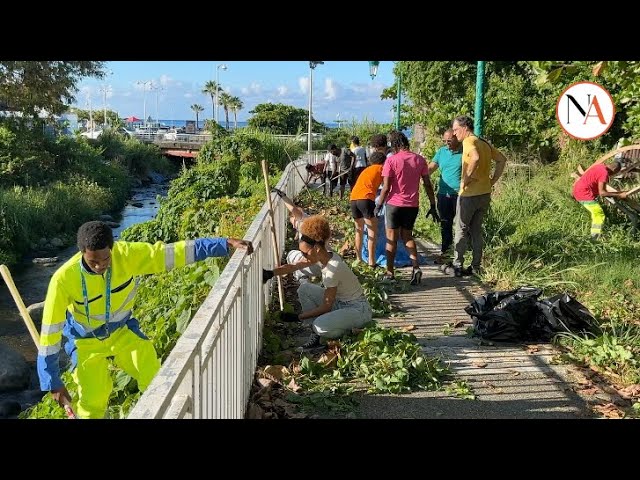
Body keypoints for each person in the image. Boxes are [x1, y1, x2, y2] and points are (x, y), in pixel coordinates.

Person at [37, 220, 253, 419]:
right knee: (93, 399)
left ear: (112, 249)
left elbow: (172, 253)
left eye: (105, 259)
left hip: (122, 331)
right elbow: (50, 334)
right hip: (85, 341)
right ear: (82, 252)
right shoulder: (63, 279)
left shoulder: (127, 255)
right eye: (93, 261)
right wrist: (53, 382)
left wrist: (223, 243)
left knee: (153, 375)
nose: (100, 266)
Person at [263, 215, 373, 350]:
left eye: (305, 253)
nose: (303, 257)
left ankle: (350, 331)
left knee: (320, 326)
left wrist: (298, 317)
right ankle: (315, 335)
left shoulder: (333, 268)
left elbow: (327, 306)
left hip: (358, 310)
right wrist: (270, 273)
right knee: (304, 289)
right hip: (340, 303)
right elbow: (294, 266)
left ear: (316, 248)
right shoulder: (322, 256)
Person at [375, 130, 437, 284]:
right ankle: (416, 267)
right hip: (412, 205)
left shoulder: (391, 161)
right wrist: (432, 204)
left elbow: (386, 187)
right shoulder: (419, 159)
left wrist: (378, 205)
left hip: (394, 205)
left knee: (392, 239)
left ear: (394, 145)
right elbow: (427, 184)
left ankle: (390, 273)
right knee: (407, 237)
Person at [449, 115, 507, 277]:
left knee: (460, 229)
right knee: (476, 231)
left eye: (455, 130)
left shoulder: (468, 141)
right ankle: (476, 266)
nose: (454, 134)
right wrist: (493, 180)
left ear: (465, 128)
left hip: (469, 194)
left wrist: (465, 180)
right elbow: (501, 159)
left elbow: (475, 157)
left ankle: (457, 265)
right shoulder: (484, 143)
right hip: (484, 193)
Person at [269, 187, 325, 282]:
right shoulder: (313, 223)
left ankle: (303, 283)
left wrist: (283, 196)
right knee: (299, 261)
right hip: (326, 262)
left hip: (317, 264)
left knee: (292, 257)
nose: (294, 227)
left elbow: (294, 209)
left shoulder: (303, 221)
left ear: (295, 218)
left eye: (292, 223)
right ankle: (305, 279)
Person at [428, 128, 463, 256]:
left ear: (456, 138)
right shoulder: (442, 152)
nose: (446, 143)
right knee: (445, 224)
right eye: (444, 140)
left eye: (449, 140)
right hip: (443, 194)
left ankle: (461, 254)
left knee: (462, 226)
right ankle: (446, 253)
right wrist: (421, 176)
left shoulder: (464, 152)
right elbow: (431, 167)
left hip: (459, 194)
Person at [572, 160, 628, 239]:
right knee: (598, 213)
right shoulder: (604, 173)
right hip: (583, 194)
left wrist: (618, 194)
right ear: (614, 169)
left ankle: (595, 236)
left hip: (578, 190)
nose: (612, 175)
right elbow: (602, 193)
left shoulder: (600, 166)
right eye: (615, 173)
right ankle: (595, 237)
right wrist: (619, 195)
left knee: (596, 212)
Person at [350, 151, 386, 267]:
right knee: (372, 232)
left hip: (354, 199)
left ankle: (359, 259)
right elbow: (387, 186)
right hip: (366, 199)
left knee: (359, 230)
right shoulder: (382, 168)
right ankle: (371, 261)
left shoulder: (366, 170)